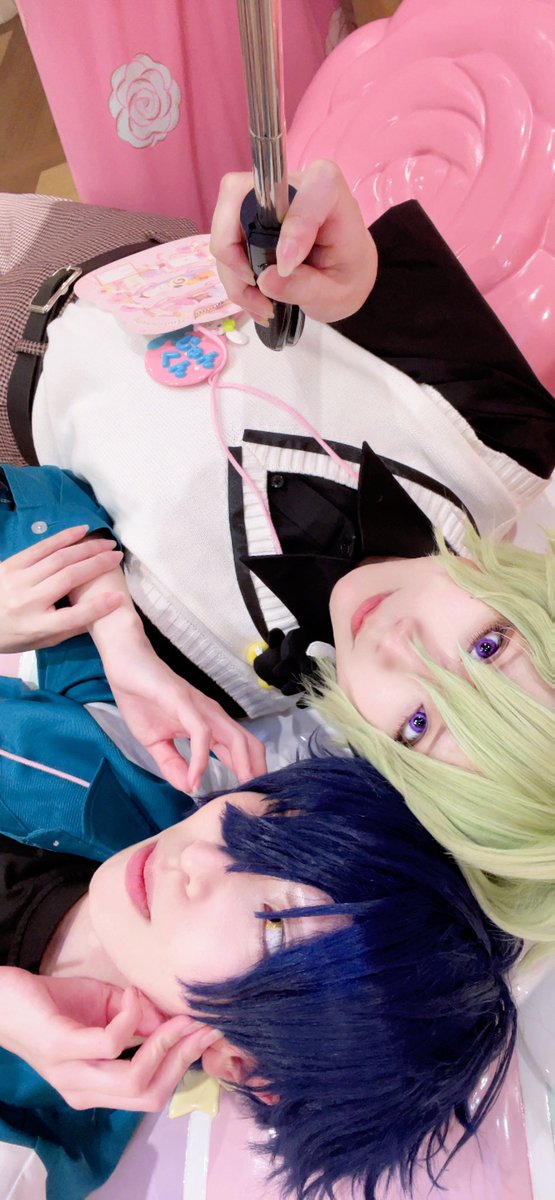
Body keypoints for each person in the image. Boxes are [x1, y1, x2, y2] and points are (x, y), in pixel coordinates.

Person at [3, 160, 554, 943]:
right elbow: (340, 270)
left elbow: (31, 513)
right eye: (489, 646)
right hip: (114, 245)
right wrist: (317, 249)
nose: (401, 646)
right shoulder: (503, 443)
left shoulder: (198, 689)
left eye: (418, 723)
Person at [0, 628, 519, 1200]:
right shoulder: (144, 760)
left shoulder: (27, 1151)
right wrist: (118, 633)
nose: (199, 855)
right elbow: (59, 595)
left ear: (243, 1063)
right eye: (272, 823)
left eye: (273, 928)